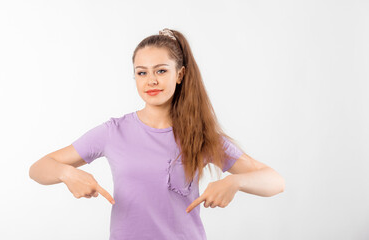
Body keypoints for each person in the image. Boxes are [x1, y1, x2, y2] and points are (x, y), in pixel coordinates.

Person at [29, 28, 285, 240]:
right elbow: (39, 168)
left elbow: (275, 181)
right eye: (142, 72)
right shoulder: (112, 132)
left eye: (161, 71)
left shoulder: (201, 137)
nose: (151, 80)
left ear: (180, 75)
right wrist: (66, 173)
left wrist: (235, 182)